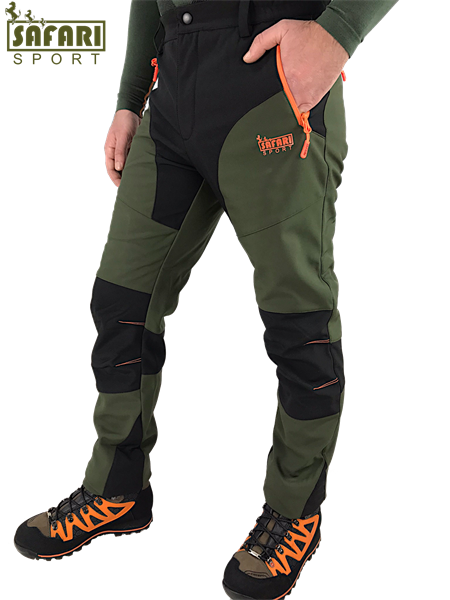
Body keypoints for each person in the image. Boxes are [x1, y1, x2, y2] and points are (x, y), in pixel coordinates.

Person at [13, 0, 398, 596]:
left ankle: (294, 511)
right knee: (121, 300)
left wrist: (338, 33)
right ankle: (118, 487)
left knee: (298, 321)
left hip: (271, 81)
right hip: (174, 91)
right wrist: (129, 99)